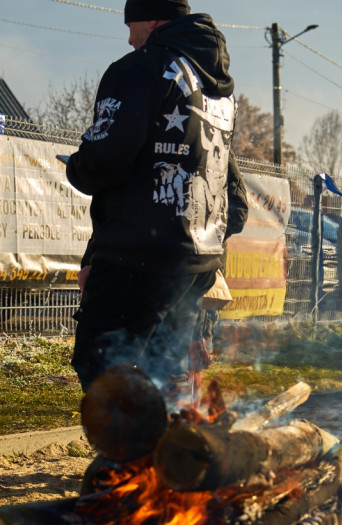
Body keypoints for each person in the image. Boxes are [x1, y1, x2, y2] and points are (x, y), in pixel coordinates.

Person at [65, 0, 247, 399]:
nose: (129, 39)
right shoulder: (216, 87)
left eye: (131, 25)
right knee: (164, 366)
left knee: (102, 360)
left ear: (153, 18)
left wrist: (77, 166)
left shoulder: (139, 69)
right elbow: (232, 193)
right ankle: (168, 454)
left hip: (141, 255)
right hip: (198, 259)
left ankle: (131, 454)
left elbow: (105, 161)